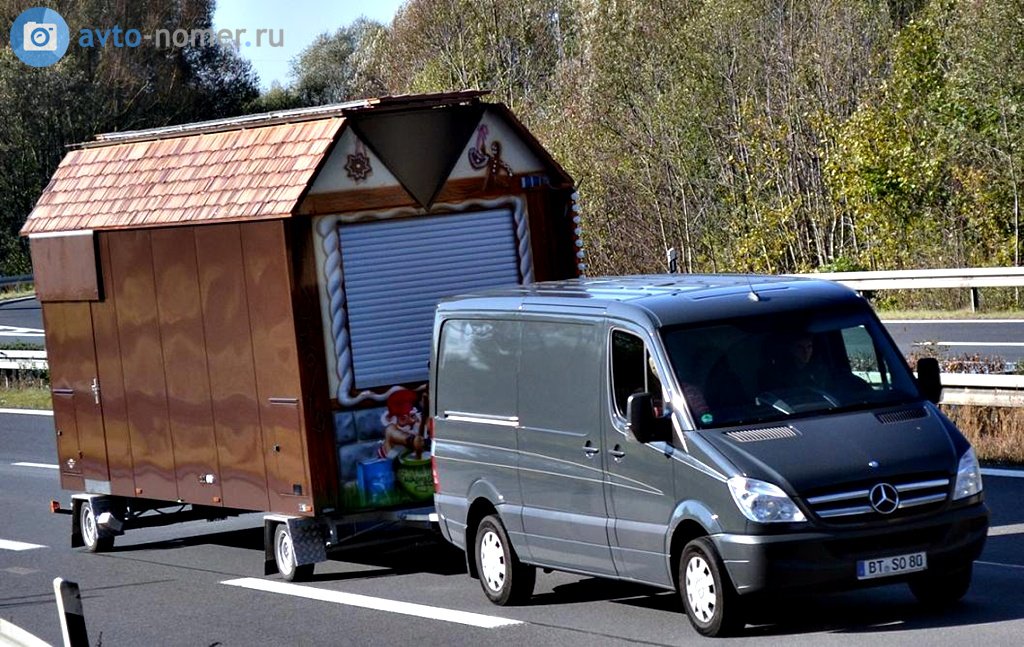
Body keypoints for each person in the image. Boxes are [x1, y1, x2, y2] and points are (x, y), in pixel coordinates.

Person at [378, 389, 426, 460]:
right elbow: (401, 437)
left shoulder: (419, 423)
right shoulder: (390, 430)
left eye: (413, 416)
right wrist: (413, 440)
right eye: (403, 418)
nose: (411, 421)